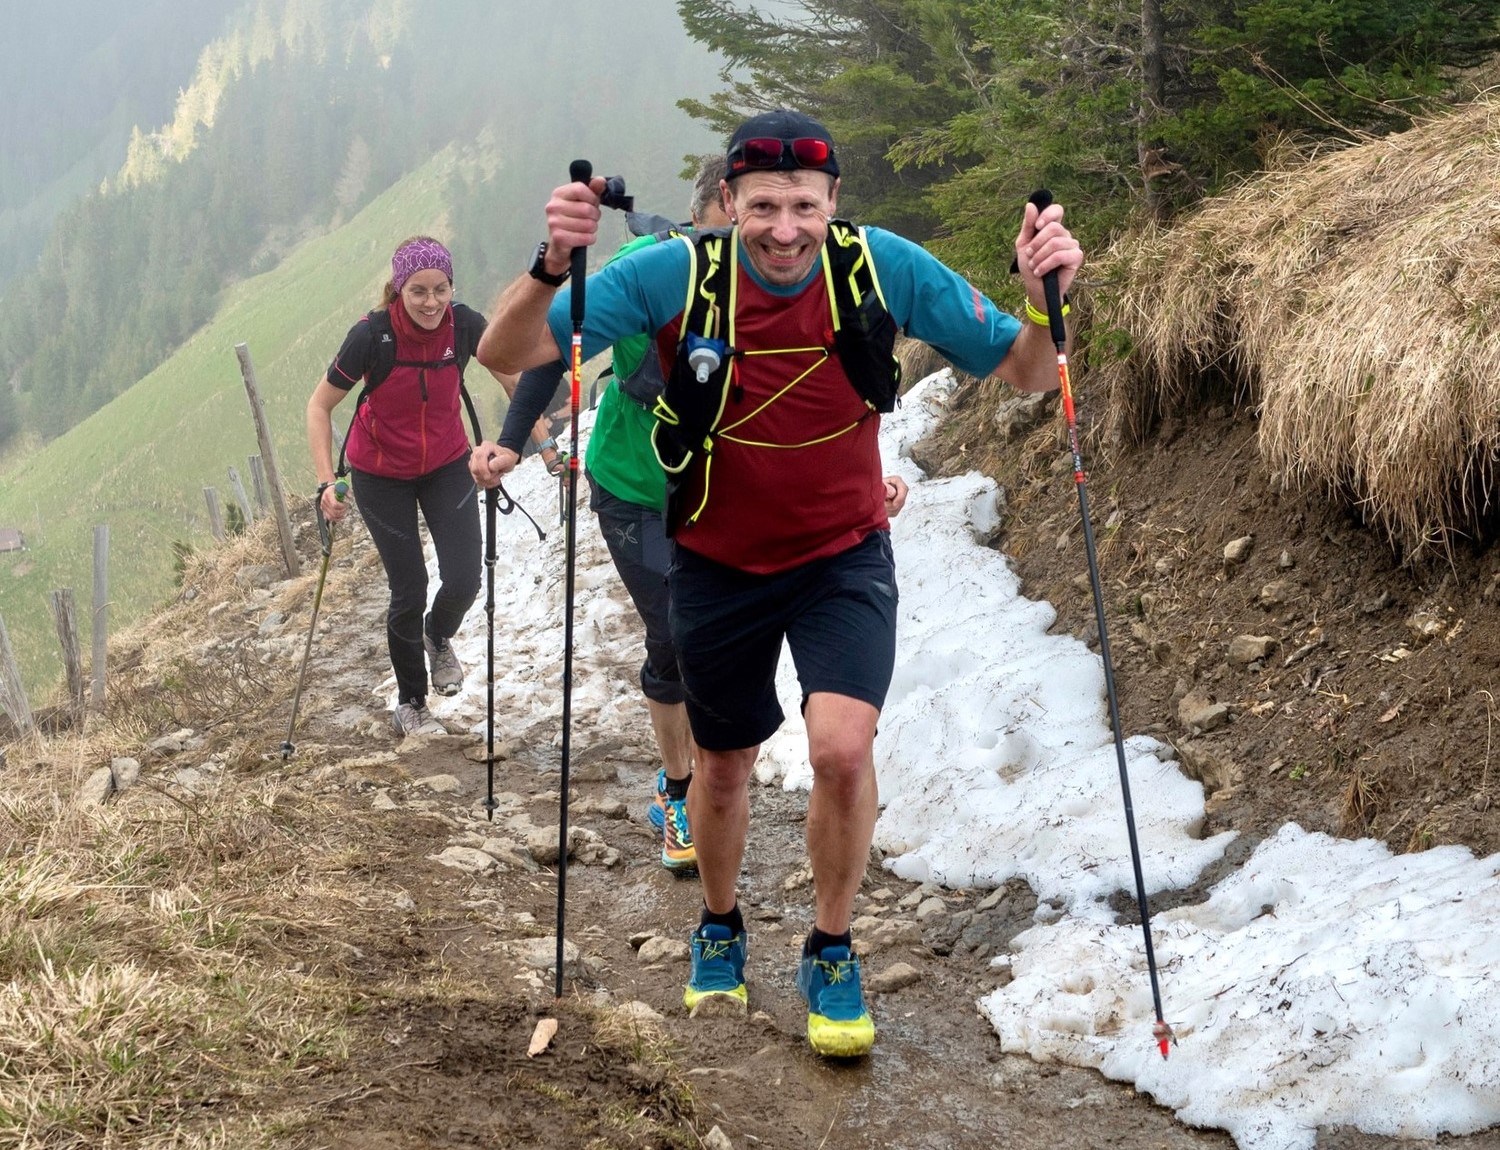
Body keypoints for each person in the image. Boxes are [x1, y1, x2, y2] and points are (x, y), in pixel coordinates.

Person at [471, 109, 1084, 1058]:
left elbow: (1030, 370)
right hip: (717, 561)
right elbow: (506, 356)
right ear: (728, 202)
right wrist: (554, 263)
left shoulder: (881, 267)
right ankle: (720, 923)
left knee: (842, 750)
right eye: (763, 206)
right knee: (723, 769)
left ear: (834, 201)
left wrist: (1046, 297)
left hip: (843, 554)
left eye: (804, 206)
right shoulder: (673, 274)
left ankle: (831, 948)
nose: (785, 229)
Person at [469, 157, 730, 872]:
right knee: (673, 628)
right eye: (727, 223)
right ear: (703, 212)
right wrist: (512, 441)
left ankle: (715, 777)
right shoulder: (647, 268)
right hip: (631, 481)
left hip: (722, 486)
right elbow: (552, 352)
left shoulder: (779, 277)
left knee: (713, 633)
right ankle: (679, 789)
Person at [307, 235, 560, 736]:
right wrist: (325, 483)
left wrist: (547, 449)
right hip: (380, 474)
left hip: (446, 464)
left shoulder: (464, 325)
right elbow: (319, 406)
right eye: (418, 291)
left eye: (440, 289)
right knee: (410, 588)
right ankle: (411, 703)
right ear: (398, 288)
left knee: (465, 576)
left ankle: (437, 635)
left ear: (452, 287)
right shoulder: (372, 336)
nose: (431, 302)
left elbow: (515, 381)